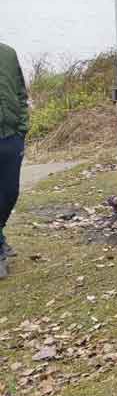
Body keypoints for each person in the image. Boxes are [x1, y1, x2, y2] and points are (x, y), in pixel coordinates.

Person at [0, 43, 28, 280]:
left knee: (10, 193)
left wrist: (21, 129)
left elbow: (20, 93)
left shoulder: (8, 53)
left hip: (11, 137)